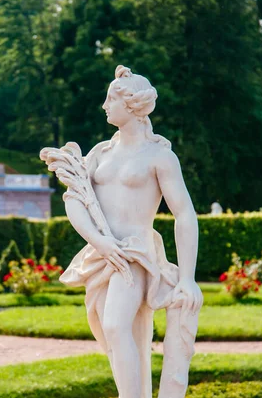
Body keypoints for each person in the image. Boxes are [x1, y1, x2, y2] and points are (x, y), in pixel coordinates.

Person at [57, 65, 203, 398]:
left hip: (136, 253)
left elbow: (184, 215)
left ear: (133, 105)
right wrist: (100, 242)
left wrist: (188, 278)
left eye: (111, 99)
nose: (105, 105)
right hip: (103, 254)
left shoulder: (159, 157)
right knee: (117, 334)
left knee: (114, 325)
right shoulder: (99, 153)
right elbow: (75, 200)